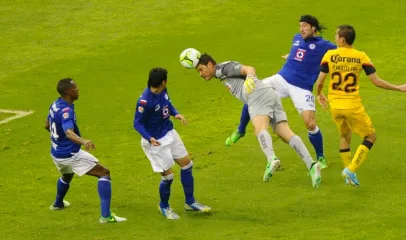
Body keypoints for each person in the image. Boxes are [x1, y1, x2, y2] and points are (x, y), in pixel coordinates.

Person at [226, 15, 336, 169]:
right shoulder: (296, 38)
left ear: (313, 28)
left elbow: (340, 55)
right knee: (254, 93)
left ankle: (320, 157)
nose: (301, 29)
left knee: (310, 124)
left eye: (305, 26)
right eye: (300, 26)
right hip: (282, 79)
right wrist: (290, 56)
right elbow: (300, 54)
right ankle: (240, 130)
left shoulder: (325, 46)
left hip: (302, 87)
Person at [196, 54, 322, 188]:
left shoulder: (224, 67)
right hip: (269, 94)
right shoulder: (219, 73)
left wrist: (250, 77)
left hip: (257, 94)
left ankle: (271, 159)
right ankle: (312, 165)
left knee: (259, 129)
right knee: (284, 133)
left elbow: (249, 68)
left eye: (201, 69)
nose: (200, 74)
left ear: (210, 64)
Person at [315, 25, 406, 187]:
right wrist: (398, 87)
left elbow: (320, 81)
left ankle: (348, 174)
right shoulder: (361, 57)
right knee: (371, 136)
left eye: (336, 35)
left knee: (344, 136)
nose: (335, 37)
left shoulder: (330, 55)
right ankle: (351, 170)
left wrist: (319, 94)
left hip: (335, 106)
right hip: (352, 106)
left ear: (342, 39)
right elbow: (376, 81)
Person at [133, 68, 211, 220]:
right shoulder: (144, 102)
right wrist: (149, 138)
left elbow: (167, 103)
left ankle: (190, 202)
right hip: (155, 143)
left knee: (187, 165)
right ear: (163, 82)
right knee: (168, 177)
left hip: (170, 133)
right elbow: (137, 123)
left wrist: (176, 114)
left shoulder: (162, 90)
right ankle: (164, 206)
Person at [45, 78, 126, 223]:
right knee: (104, 173)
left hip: (56, 153)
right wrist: (83, 141)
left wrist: (58, 140)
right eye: (76, 89)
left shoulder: (55, 105)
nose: (78, 90)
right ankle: (106, 216)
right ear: (70, 92)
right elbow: (69, 132)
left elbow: (47, 125)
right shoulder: (66, 110)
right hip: (70, 154)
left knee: (67, 176)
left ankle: (58, 204)